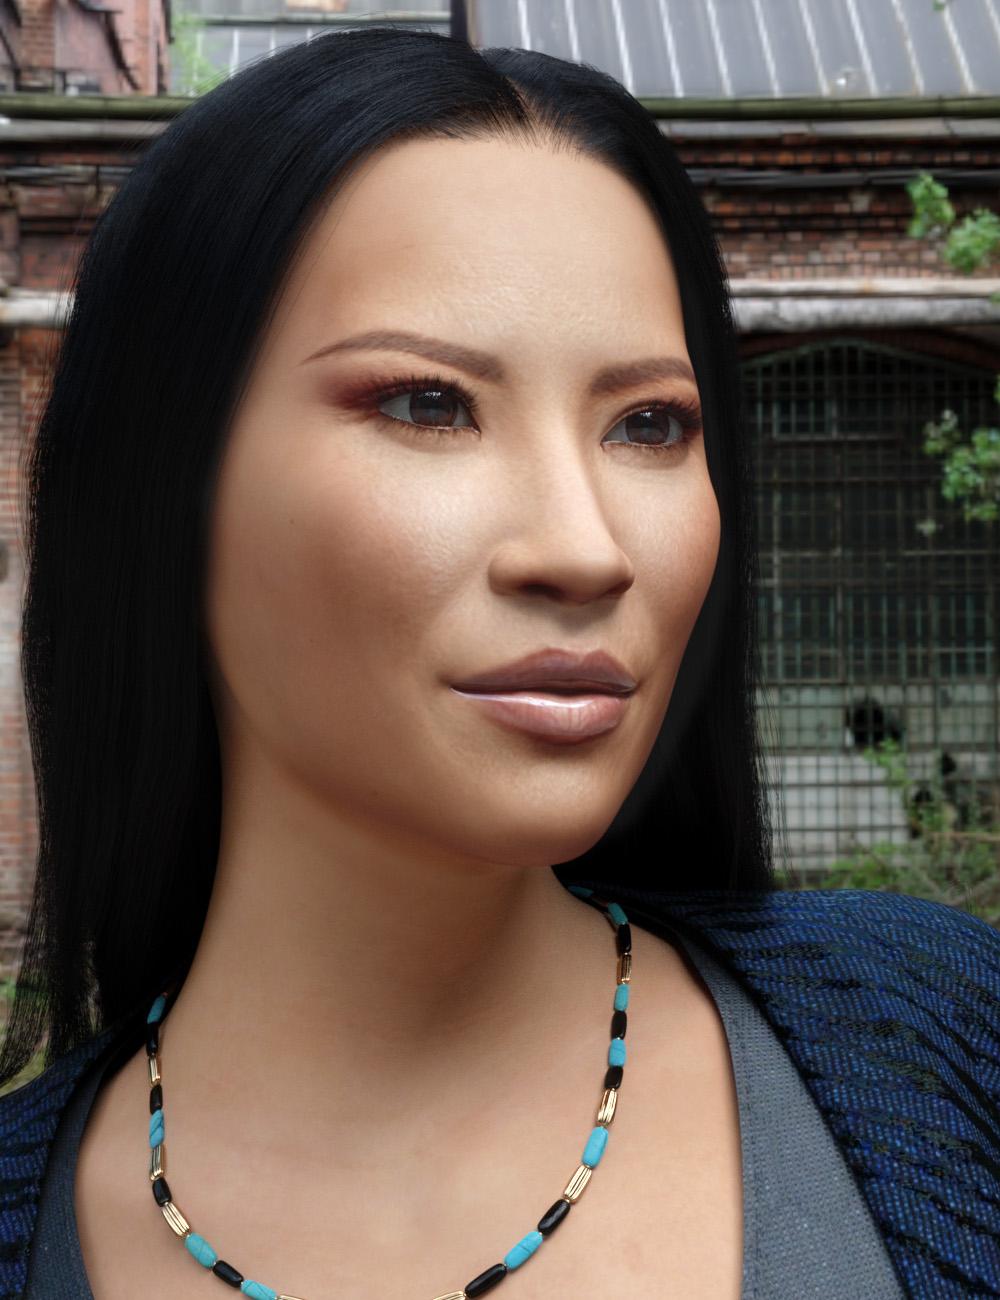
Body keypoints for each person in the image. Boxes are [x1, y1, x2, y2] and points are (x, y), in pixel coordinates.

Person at [0, 25, 995, 1300]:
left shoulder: (939, 1044)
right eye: (429, 404)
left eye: (649, 424)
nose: (584, 549)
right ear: (160, 485)